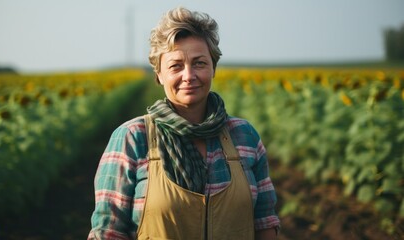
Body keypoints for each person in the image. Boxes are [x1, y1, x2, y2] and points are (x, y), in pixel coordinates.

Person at [88, 6, 280, 240]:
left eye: (199, 63)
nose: (189, 76)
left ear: (213, 68)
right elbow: (109, 232)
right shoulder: (132, 137)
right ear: (159, 74)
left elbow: (264, 223)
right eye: (175, 66)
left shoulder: (244, 135)